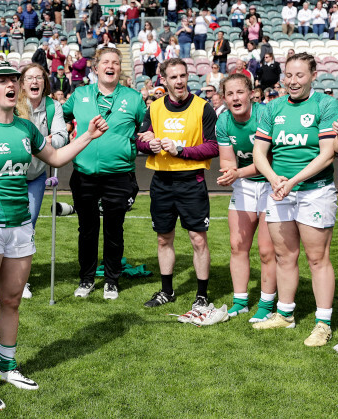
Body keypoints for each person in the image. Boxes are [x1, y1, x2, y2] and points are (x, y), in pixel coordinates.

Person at [0, 59, 108, 410]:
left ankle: (8, 367)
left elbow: (55, 158)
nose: (10, 84)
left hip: (20, 225)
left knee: (11, 300)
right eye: (1, 80)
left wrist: (87, 136)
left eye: (13, 79)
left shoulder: (26, 127)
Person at [252, 53, 338, 347]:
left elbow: (327, 153)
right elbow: (259, 154)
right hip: (279, 191)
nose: (292, 81)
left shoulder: (326, 104)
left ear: (314, 75)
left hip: (314, 191)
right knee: (283, 256)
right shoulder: (271, 107)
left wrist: (293, 181)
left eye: (299, 75)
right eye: (288, 75)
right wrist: (275, 179)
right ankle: (285, 314)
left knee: (317, 258)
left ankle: (323, 323)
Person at [136, 58, 219, 313]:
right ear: (164, 80)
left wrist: (181, 150)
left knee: (197, 239)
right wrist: (147, 144)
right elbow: (139, 140)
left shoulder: (203, 108)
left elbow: (213, 146)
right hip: (161, 180)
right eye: (173, 77)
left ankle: (202, 295)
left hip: (191, 181)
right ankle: (167, 291)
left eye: (183, 76)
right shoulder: (154, 108)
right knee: (164, 238)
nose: (180, 81)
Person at [62, 48, 144, 300]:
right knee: (86, 229)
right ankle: (86, 279)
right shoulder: (79, 95)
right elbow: (63, 118)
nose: (111, 66)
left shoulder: (134, 98)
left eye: (116, 63)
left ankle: (111, 280)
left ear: (120, 68)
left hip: (119, 175)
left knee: (113, 229)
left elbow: (144, 129)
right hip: (84, 175)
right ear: (95, 69)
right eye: (106, 62)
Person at [215, 73, 277, 322]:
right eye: (229, 94)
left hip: (273, 184)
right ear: (224, 98)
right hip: (245, 184)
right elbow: (227, 160)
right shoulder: (223, 121)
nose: (235, 98)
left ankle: (266, 303)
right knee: (237, 246)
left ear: (251, 93)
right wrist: (231, 173)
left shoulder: (265, 115)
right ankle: (240, 301)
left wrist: (237, 172)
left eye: (240, 92)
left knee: (266, 250)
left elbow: (269, 160)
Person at [16, 63, 68, 298]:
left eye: (39, 77)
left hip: (36, 175)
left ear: (44, 82)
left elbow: (61, 136)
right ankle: (1, 277)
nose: (34, 81)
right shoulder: (15, 104)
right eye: (29, 78)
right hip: (11, 175)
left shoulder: (52, 105)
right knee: (6, 226)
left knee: (28, 227)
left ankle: (21, 281)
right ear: (22, 84)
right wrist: (42, 142)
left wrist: (39, 143)